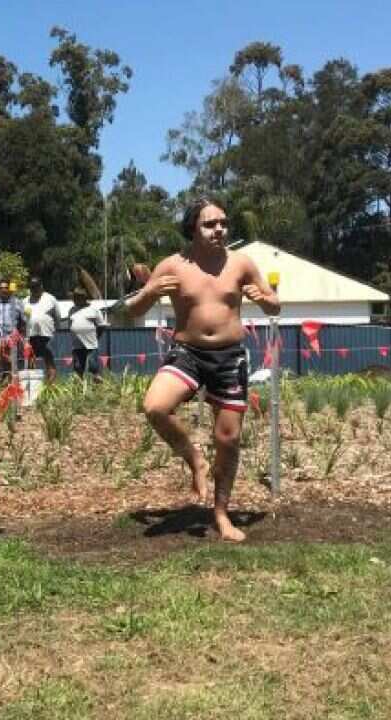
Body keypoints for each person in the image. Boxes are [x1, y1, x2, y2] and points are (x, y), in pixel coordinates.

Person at [125, 198, 279, 542]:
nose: (219, 229)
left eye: (223, 223)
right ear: (193, 227)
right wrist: (149, 290)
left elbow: (274, 305)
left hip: (229, 357)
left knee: (229, 439)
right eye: (210, 224)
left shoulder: (241, 264)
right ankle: (194, 459)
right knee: (155, 407)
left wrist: (263, 299)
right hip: (188, 352)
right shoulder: (173, 265)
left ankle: (222, 515)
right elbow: (131, 313)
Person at [23, 276, 62, 383]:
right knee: (30, 361)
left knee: (49, 361)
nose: (34, 289)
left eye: (36, 287)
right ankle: (32, 385)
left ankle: (50, 388)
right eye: (32, 287)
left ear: (41, 287)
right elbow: (22, 319)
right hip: (30, 336)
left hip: (47, 335)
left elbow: (58, 316)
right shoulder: (25, 301)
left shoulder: (50, 298)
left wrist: (55, 331)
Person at [67, 289, 105, 378]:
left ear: (84, 298)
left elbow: (102, 325)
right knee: (78, 367)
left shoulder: (93, 310)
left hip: (90, 343)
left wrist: (96, 336)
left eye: (77, 298)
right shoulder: (72, 310)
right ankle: (79, 388)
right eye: (74, 298)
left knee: (92, 365)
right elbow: (71, 324)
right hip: (77, 344)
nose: (75, 300)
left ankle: (97, 384)